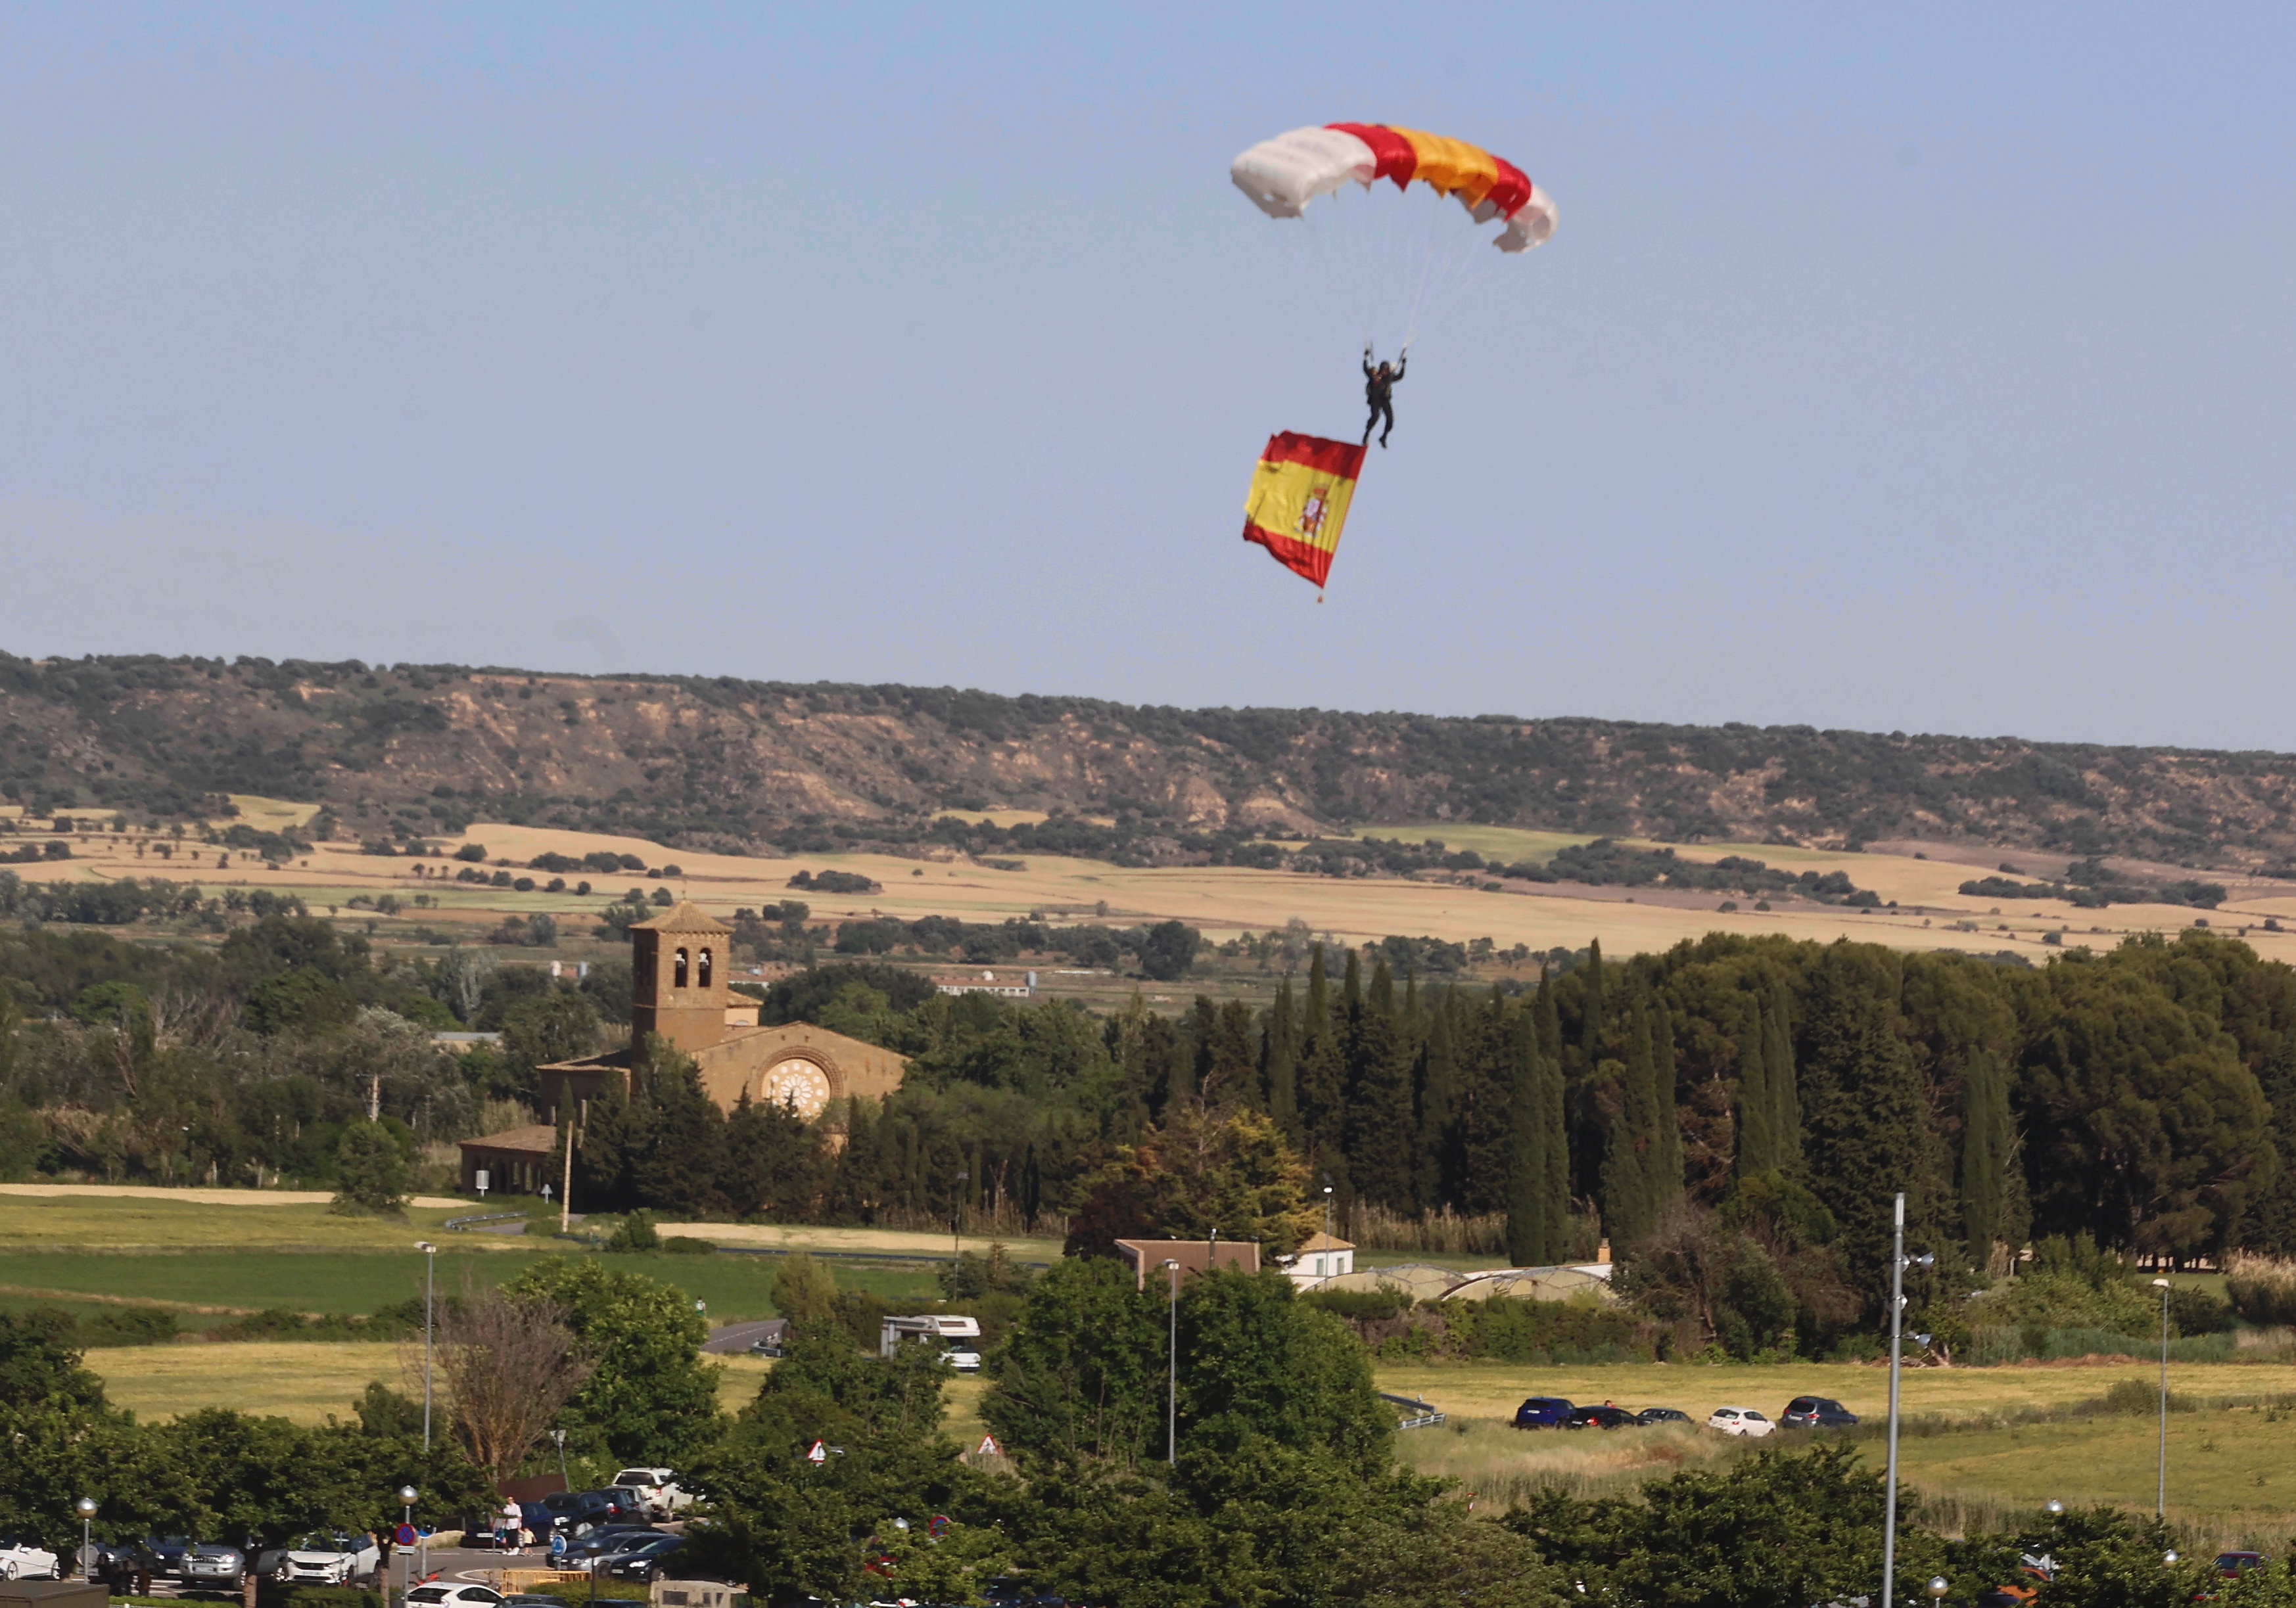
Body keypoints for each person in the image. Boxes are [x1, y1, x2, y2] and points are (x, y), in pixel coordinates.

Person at [1361, 344, 1406, 448]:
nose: (1384, 372)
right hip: (1375, 400)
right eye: (1383, 370)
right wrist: (1365, 358)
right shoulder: (1374, 375)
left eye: (1386, 370)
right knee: (1375, 417)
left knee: (1390, 420)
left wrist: (1403, 365)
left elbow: (1400, 376)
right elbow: (1365, 369)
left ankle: (1384, 437)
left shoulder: (1389, 378)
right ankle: (1367, 434)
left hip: (1385, 400)